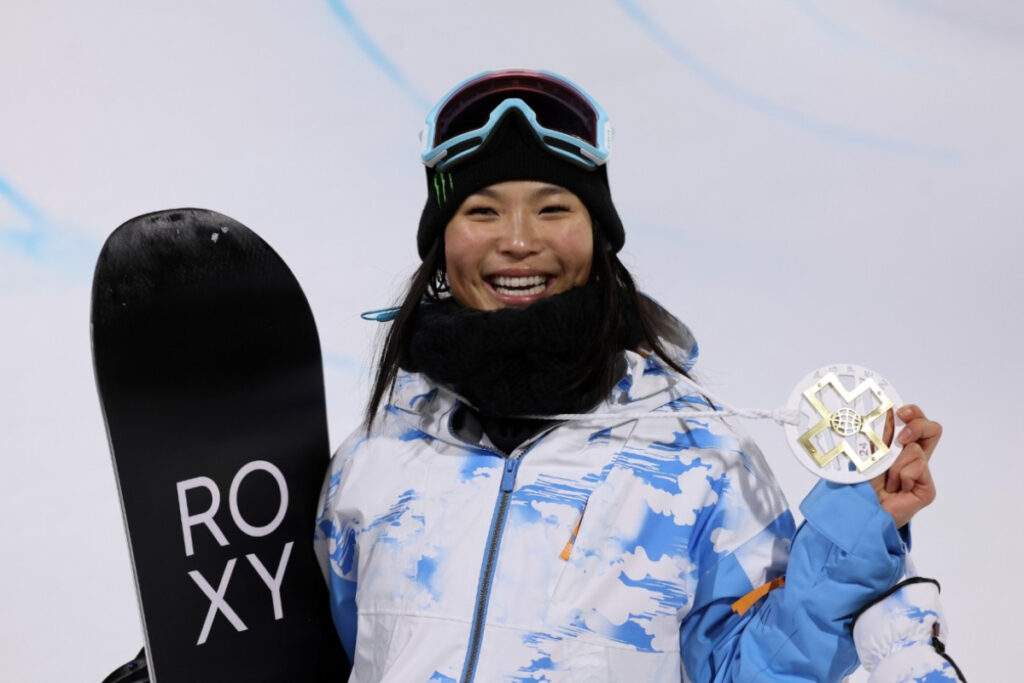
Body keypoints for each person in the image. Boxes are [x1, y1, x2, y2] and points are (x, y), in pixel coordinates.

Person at [315, 69, 960, 682]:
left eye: (553, 208)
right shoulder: (378, 453)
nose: (516, 240)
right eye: (481, 211)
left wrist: (855, 525)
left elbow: (755, 672)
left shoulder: (696, 460)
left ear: (598, 236)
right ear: (442, 241)